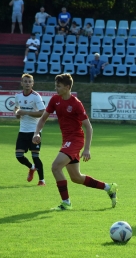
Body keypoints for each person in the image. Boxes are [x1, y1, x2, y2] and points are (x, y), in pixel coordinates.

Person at [32, 74, 118, 210]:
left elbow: (88, 127)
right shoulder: (55, 100)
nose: (56, 88)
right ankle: (109, 187)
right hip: (67, 140)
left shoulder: (76, 104)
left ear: (67, 87)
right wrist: (36, 133)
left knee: (55, 167)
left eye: (58, 86)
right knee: (76, 177)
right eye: (56, 85)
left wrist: (87, 149)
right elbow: (42, 119)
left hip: (76, 139)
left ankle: (66, 203)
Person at [14, 74, 45, 186]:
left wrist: (26, 112)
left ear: (32, 83)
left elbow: (42, 112)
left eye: (29, 81)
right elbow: (16, 108)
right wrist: (17, 113)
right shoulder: (18, 96)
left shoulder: (36, 96)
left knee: (35, 156)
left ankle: (42, 180)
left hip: (35, 131)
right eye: (25, 81)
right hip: (23, 130)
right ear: (22, 83)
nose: (27, 83)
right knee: (18, 156)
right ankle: (32, 168)